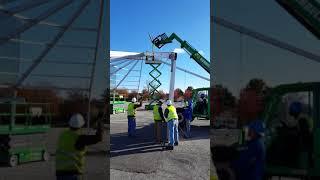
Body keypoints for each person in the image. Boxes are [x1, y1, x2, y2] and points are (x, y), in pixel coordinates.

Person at [55, 113, 103, 180]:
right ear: (81, 125)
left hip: (59, 173)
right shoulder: (79, 138)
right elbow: (98, 138)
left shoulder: (63, 135)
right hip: (72, 173)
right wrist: (100, 125)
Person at [289, 101, 313, 167]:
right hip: (308, 140)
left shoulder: (302, 119)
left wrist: (293, 132)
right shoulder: (302, 117)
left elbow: (303, 132)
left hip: (306, 143)